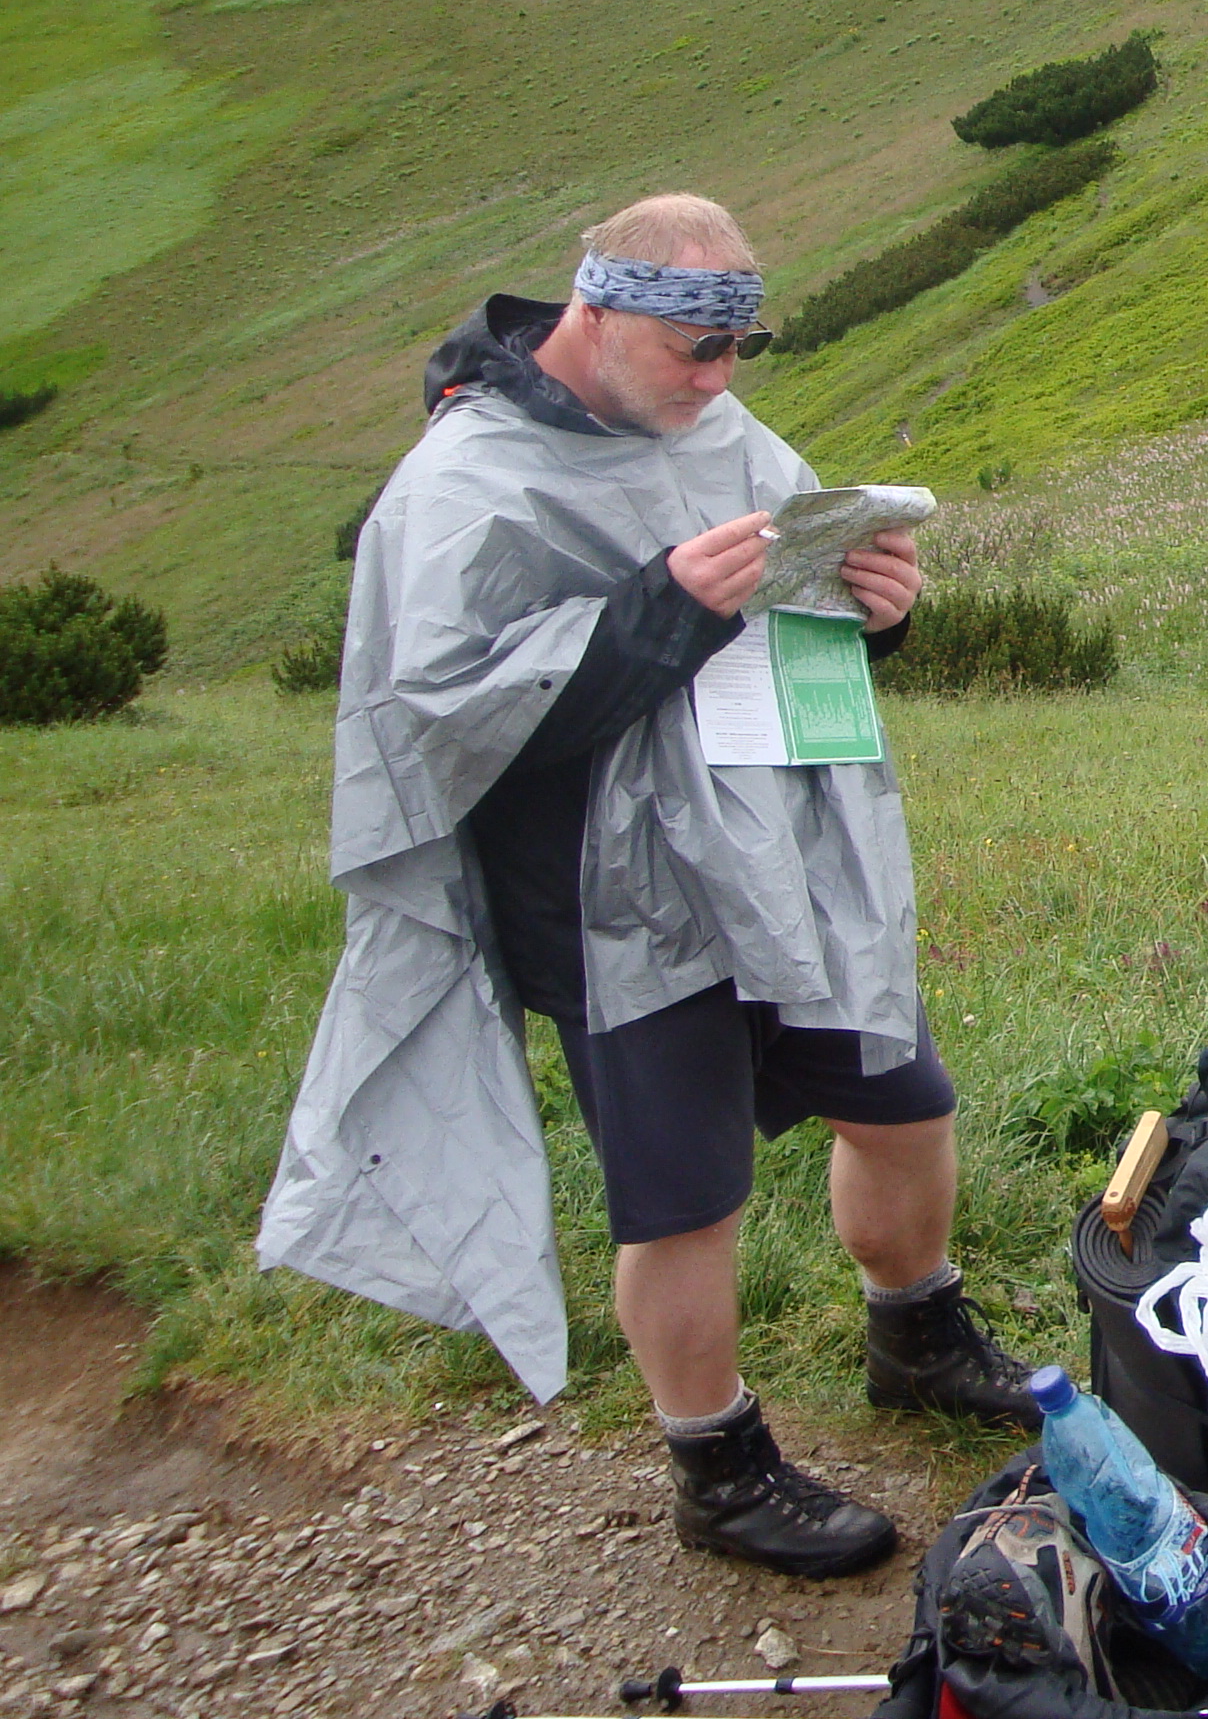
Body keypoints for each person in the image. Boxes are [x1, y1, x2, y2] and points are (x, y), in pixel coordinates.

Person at [263, 194, 1035, 1579]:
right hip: (607, 894)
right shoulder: (462, 483)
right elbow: (442, 715)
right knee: (684, 1192)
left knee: (903, 1104)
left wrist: (876, 611)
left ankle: (916, 1337)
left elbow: (785, 621)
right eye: (695, 350)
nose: (718, 381)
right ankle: (718, 1468)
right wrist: (663, 605)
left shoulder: (719, 428)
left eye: (739, 351)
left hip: (776, 855)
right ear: (598, 311)